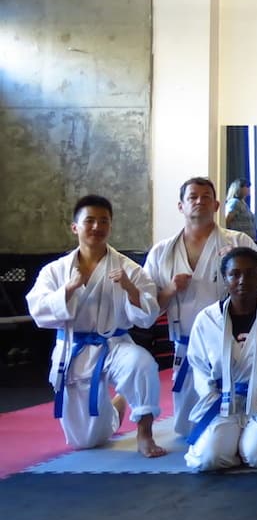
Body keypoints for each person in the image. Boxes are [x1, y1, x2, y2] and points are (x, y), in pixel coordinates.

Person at [27, 194, 165, 458]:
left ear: (110, 226)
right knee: (86, 440)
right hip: (74, 348)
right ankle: (117, 405)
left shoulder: (128, 269)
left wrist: (129, 288)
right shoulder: (55, 271)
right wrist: (69, 288)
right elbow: (38, 310)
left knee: (142, 363)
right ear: (75, 227)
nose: (96, 227)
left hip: (115, 345)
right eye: (89, 220)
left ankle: (145, 433)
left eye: (103, 221)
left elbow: (148, 315)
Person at [146, 177, 257, 436]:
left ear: (217, 205)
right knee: (187, 428)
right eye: (192, 197)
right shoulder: (162, 252)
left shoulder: (238, 242)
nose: (199, 201)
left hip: (232, 344)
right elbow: (148, 309)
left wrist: (237, 267)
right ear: (180, 206)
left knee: (235, 422)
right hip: (185, 347)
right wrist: (169, 289)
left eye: (206, 197)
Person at [184, 247, 257, 471]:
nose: (243, 280)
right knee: (208, 459)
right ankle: (231, 445)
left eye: (250, 273)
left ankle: (240, 445)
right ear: (225, 279)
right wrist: (215, 397)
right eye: (235, 274)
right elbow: (199, 367)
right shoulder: (207, 319)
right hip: (223, 402)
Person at [224, 178, 257, 243]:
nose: (248, 189)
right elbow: (227, 221)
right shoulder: (235, 202)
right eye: (246, 186)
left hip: (249, 240)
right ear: (239, 188)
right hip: (239, 241)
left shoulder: (243, 203)